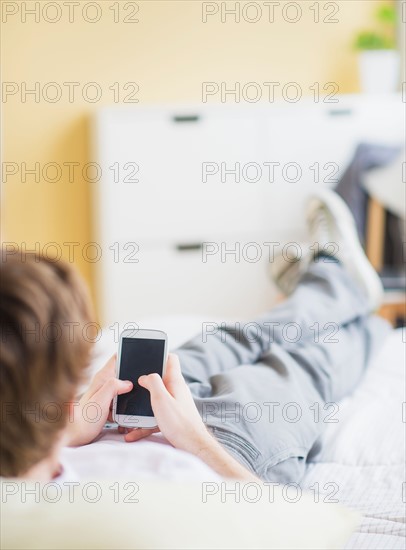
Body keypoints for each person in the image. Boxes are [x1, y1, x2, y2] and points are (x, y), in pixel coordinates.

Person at [0, 190, 391, 483]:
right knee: (301, 362)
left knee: (233, 338)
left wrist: (67, 431)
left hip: (120, 426)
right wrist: (197, 440)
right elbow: (293, 532)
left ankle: (329, 288)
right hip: (226, 452)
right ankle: (341, 289)